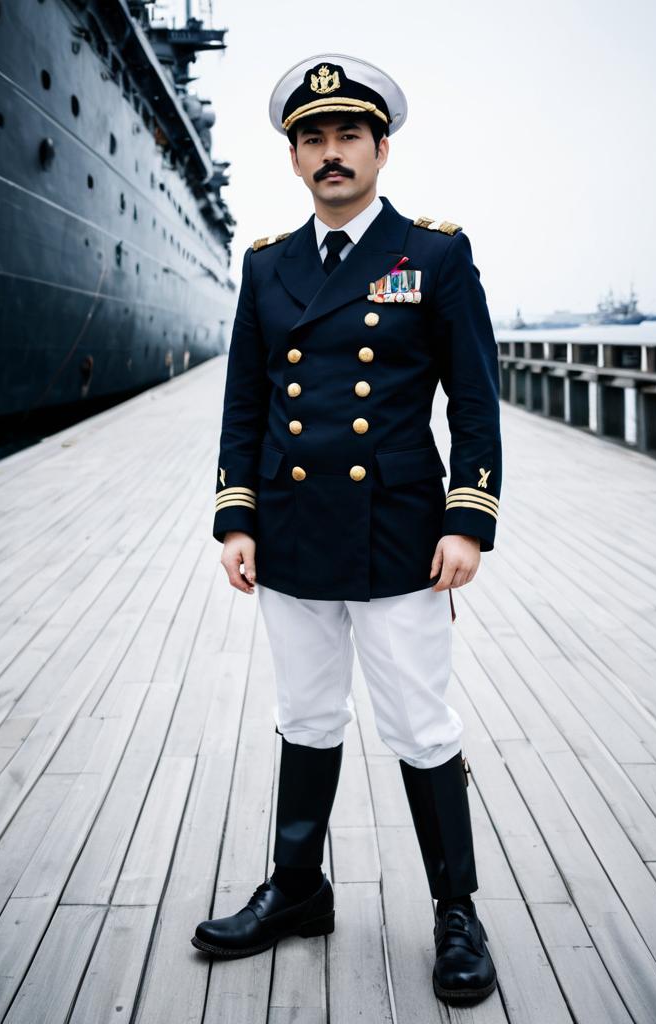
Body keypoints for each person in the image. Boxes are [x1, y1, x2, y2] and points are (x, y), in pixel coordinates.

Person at [191, 53, 501, 1007]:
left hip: (401, 530)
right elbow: (246, 400)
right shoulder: (266, 265)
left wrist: (469, 520)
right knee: (307, 717)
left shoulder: (434, 255)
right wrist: (235, 515)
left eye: (347, 137)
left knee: (419, 722)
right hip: (290, 530)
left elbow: (476, 401)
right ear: (293, 159)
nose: (330, 154)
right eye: (311, 140)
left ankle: (456, 912)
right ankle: (296, 889)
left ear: (380, 148)